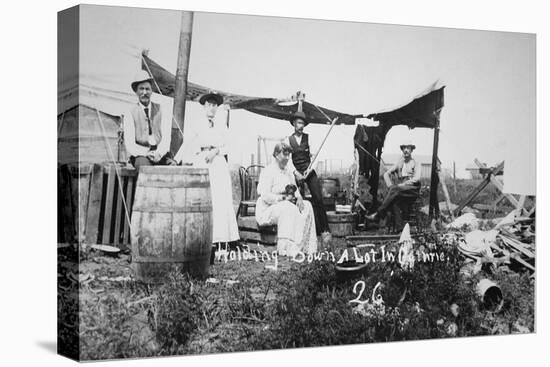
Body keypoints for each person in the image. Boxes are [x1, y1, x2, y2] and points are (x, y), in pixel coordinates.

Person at [174, 91, 239, 245]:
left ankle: (221, 238)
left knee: (220, 198)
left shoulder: (221, 124)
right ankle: (203, 236)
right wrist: (177, 160)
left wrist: (216, 151)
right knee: (204, 198)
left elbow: (228, 145)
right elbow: (187, 142)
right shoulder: (197, 123)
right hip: (202, 161)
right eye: (209, 105)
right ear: (204, 106)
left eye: (214, 105)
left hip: (218, 162)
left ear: (217, 107)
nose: (211, 108)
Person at [256, 142, 318, 257]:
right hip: (268, 208)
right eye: (285, 154)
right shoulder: (268, 171)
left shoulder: (288, 171)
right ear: (276, 154)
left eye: (288, 155)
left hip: (286, 204)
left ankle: (305, 247)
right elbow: (264, 195)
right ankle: (286, 249)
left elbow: (295, 189)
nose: (287, 158)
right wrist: (283, 198)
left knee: (307, 205)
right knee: (288, 207)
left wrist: (299, 198)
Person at [285, 111, 332, 244]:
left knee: (318, 198)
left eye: (302, 123)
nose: (300, 126)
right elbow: (288, 161)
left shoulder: (309, 138)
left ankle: (325, 230)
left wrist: (309, 170)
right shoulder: (288, 140)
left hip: (309, 171)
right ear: (294, 124)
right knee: (296, 200)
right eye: (298, 123)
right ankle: (298, 232)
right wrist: (296, 173)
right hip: (296, 173)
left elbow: (315, 156)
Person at [123, 70, 175, 170]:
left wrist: (159, 153)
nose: (145, 92)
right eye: (141, 89)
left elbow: (166, 138)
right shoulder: (130, 112)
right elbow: (130, 144)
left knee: (174, 169)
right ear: (136, 91)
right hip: (141, 155)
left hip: (159, 154)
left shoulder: (161, 109)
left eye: (147, 89)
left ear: (152, 91)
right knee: (146, 169)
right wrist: (146, 153)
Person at [367, 141, 421, 229]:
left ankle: (378, 214)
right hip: (401, 190)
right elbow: (386, 174)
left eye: (408, 148)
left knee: (395, 191)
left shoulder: (416, 163)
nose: (406, 150)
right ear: (402, 150)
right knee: (394, 200)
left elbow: (417, 178)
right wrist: (390, 187)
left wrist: (403, 184)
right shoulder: (399, 163)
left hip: (412, 190)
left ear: (411, 150)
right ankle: (399, 228)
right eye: (404, 148)